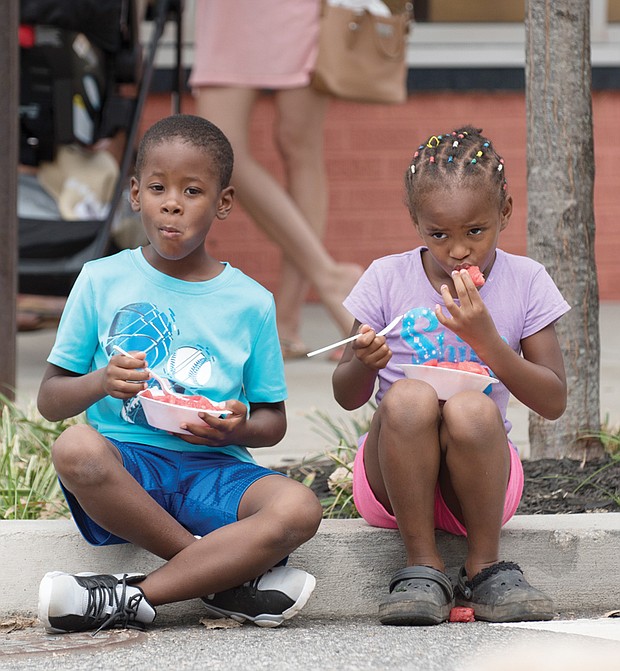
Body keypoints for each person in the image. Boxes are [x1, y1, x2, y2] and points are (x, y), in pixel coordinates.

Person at [36, 114, 323, 634]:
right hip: (130, 468)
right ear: (134, 193)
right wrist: (100, 381)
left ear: (223, 203)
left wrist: (238, 427)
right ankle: (217, 581)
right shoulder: (101, 280)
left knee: (299, 507)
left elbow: (272, 420)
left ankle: (135, 598)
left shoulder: (251, 302)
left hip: (214, 468)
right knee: (74, 448)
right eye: (158, 188)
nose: (172, 202)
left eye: (192, 190)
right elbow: (51, 399)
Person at [332, 126, 570, 626]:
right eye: (439, 235)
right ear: (416, 223)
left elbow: (552, 400)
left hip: (479, 489)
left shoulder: (527, 281)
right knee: (410, 397)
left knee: (470, 406)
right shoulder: (385, 278)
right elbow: (347, 395)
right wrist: (363, 362)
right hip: (393, 484)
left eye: (474, 232)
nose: (458, 251)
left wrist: (488, 342)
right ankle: (421, 565)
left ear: (504, 212)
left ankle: (485, 567)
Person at [190, 0, 362, 358]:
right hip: (228, 13)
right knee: (220, 147)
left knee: (300, 145)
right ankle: (329, 276)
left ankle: (286, 323)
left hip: (299, 11)